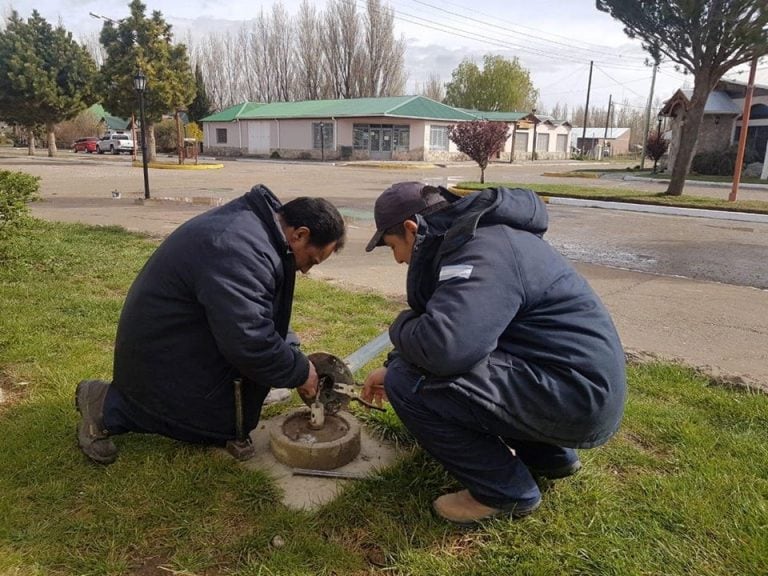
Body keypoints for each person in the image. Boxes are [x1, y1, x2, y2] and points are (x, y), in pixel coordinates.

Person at [362, 182, 626, 525]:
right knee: (422, 367)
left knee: (407, 383)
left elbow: (444, 349)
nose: (398, 259)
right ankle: (549, 457)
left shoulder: (479, 250)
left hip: (577, 397)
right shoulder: (483, 239)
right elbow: (468, 334)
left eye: (394, 246)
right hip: (579, 387)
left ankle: (503, 492)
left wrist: (400, 325)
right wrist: (398, 357)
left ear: (412, 230)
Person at [76, 184, 346, 465]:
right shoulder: (238, 249)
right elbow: (250, 339)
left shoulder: (259, 233)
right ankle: (106, 405)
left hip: (186, 333)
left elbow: (260, 314)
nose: (305, 269)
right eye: (311, 261)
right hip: (162, 352)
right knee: (211, 423)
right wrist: (299, 371)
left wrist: (291, 353)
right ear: (300, 234)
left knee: (239, 405)